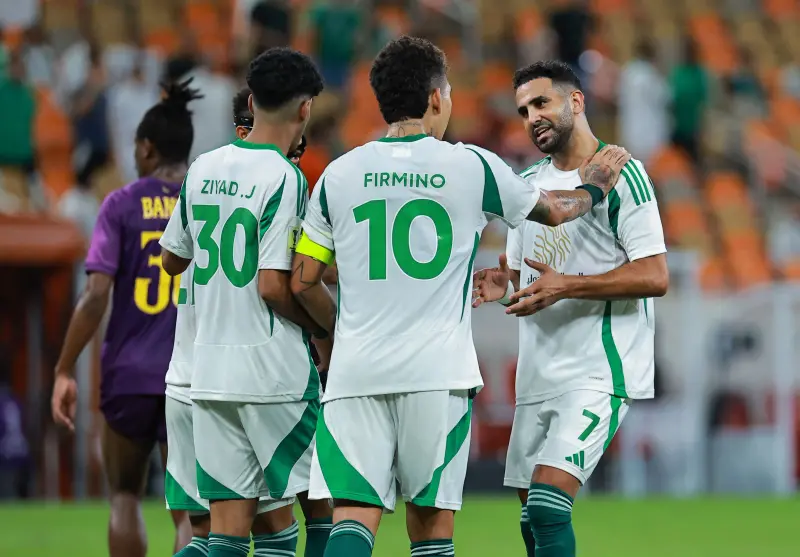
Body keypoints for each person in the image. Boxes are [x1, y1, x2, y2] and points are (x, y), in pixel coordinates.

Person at [289, 36, 629, 557]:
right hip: (437, 376)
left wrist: (337, 333)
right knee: (430, 532)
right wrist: (596, 186)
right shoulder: (471, 165)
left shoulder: (338, 174)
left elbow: (304, 278)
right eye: (447, 92)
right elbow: (556, 210)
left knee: (352, 521)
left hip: (357, 373)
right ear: (434, 98)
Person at [472, 60, 669, 557]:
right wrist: (506, 286)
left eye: (541, 102)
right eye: (523, 110)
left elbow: (654, 275)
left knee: (546, 506)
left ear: (576, 101)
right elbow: (532, 280)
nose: (532, 117)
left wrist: (568, 287)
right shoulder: (528, 186)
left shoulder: (622, 175)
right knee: (532, 520)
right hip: (538, 374)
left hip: (597, 370)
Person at [159, 47, 330, 557]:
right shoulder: (285, 176)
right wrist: (324, 329)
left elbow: (171, 260)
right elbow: (274, 286)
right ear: (306, 108)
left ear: (251, 102)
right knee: (324, 508)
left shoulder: (203, 167)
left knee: (227, 532)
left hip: (210, 372)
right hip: (272, 373)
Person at [51, 79, 203, 557]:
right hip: (192, 374)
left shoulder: (120, 204)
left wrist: (63, 368)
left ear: (146, 147)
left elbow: (96, 294)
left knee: (123, 497)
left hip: (128, 373)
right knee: (189, 510)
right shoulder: (205, 203)